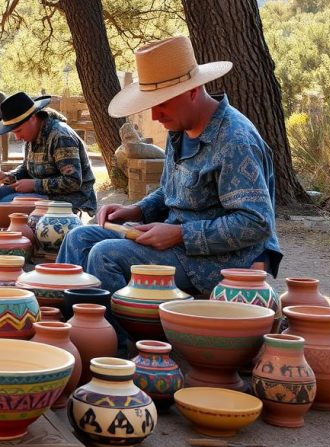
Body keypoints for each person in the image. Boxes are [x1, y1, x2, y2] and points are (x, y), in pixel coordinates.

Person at [58, 35, 281, 300]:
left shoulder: (235, 141)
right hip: (177, 243)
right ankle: (66, 317)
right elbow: (171, 191)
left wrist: (180, 234)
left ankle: (117, 339)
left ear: (192, 91)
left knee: (105, 255)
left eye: (162, 103)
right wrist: (138, 210)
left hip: (216, 260)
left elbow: (256, 223)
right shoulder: (181, 128)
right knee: (78, 238)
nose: (155, 115)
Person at [0, 91, 97, 215]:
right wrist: (8, 177)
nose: (17, 138)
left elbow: (73, 181)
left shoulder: (61, 136)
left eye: (18, 131)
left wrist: (35, 185)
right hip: (42, 191)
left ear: (33, 118)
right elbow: (26, 169)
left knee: (4, 204)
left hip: (70, 198)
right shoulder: (33, 134)